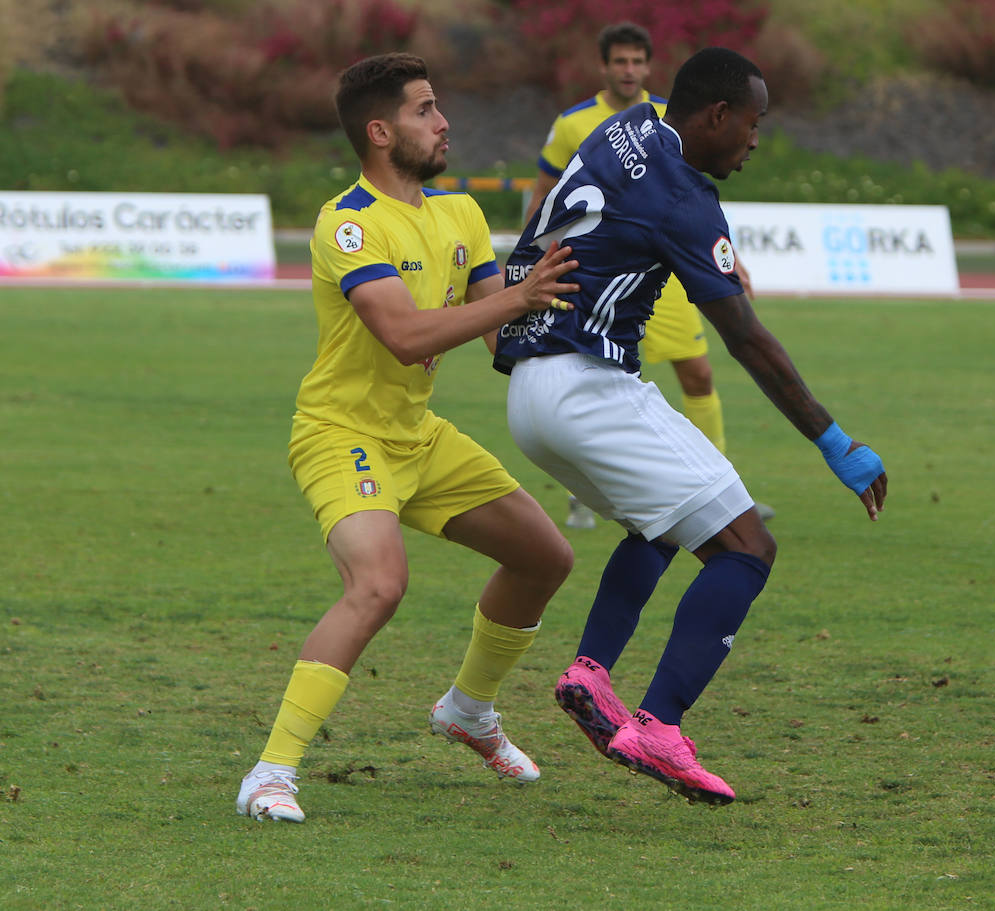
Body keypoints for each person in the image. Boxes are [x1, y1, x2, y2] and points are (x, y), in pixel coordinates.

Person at [495, 48, 887, 805]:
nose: (756, 139)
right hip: (586, 384)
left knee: (663, 522)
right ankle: (661, 724)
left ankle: (592, 671)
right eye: (753, 121)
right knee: (747, 546)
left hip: (532, 391)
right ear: (715, 116)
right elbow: (747, 338)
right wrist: (835, 442)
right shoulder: (684, 199)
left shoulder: (630, 128)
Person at [236, 52, 581, 823]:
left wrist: (581, 335)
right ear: (381, 131)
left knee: (544, 556)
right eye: (426, 109)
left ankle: (468, 709)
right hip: (340, 433)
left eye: (439, 105)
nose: (445, 120)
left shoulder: (458, 214)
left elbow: (503, 340)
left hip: (418, 436)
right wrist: (518, 297)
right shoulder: (347, 223)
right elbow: (399, 332)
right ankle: (270, 771)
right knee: (380, 584)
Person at [524, 22, 773, 530]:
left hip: (668, 272)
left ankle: (720, 481)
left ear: (647, 65)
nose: (629, 70)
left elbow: (694, 216)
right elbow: (548, 189)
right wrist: (532, 250)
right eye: (620, 61)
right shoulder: (574, 122)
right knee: (613, 375)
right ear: (604, 66)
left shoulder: (667, 116)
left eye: (638, 61)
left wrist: (733, 262)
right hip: (597, 277)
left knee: (697, 373)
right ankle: (594, 488)